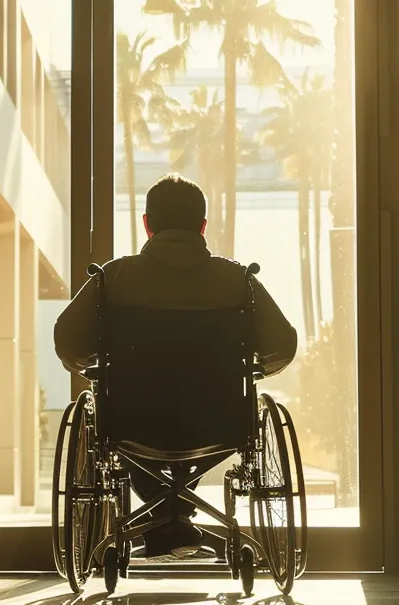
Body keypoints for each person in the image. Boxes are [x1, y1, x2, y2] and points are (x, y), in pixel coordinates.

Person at [53, 174, 298, 559]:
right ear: (203, 226)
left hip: (132, 419)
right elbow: (283, 345)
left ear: (147, 224)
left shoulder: (113, 277)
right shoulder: (237, 279)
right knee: (188, 426)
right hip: (218, 420)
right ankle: (175, 518)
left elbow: (68, 341)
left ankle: (168, 521)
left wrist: (94, 370)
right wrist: (256, 371)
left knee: (125, 422)